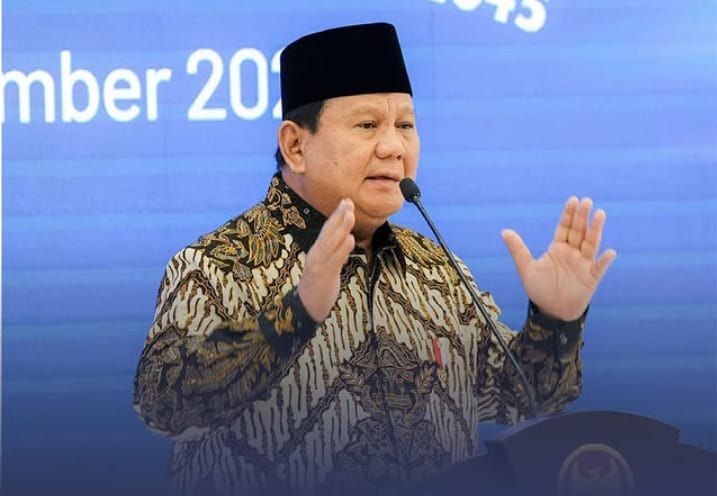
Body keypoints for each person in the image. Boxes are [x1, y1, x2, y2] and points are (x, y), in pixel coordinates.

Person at [133, 22, 616, 495]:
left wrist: (555, 322)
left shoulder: (435, 268)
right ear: (296, 146)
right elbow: (162, 405)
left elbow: (522, 397)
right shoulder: (217, 265)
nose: (394, 147)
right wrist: (295, 315)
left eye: (405, 125)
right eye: (367, 125)